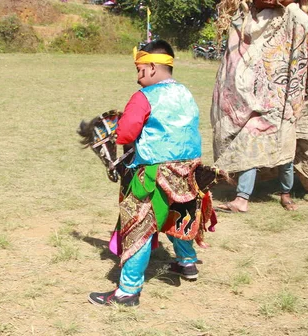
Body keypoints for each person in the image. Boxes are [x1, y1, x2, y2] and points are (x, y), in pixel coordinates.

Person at [88, 40, 218, 307]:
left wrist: (118, 125)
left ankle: (127, 291)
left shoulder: (143, 97)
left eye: (139, 70)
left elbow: (125, 134)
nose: (137, 77)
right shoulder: (185, 92)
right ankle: (187, 263)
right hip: (188, 170)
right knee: (176, 214)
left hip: (153, 173)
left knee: (139, 228)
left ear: (151, 67)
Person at [211, 0, 308, 213]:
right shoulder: (247, 16)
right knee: (250, 143)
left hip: (282, 100)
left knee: (285, 151)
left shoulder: (293, 16)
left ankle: (285, 193)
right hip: (254, 98)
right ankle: (242, 198)